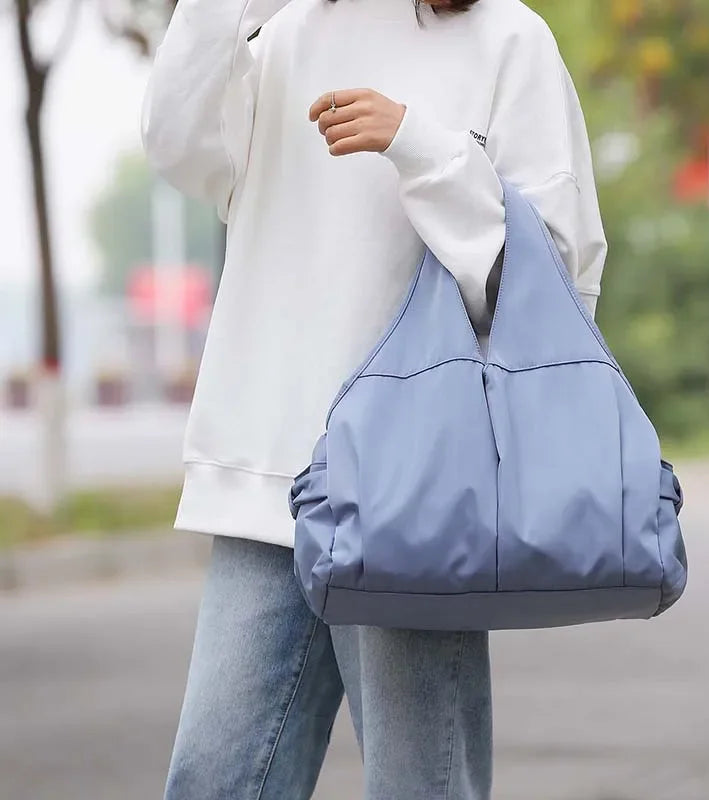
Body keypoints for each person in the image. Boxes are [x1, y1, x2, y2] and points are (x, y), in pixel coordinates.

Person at [141, 0, 607, 795]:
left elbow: (553, 277)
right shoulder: (281, 32)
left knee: (421, 782)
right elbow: (178, 148)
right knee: (212, 778)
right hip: (270, 480)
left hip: (415, 489)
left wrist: (420, 145)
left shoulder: (508, 39)